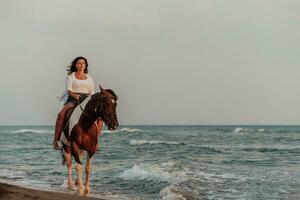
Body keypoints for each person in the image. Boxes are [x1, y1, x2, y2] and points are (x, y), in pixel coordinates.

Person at [53, 56, 103, 150]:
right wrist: (77, 97)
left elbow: (92, 92)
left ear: (85, 65)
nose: (81, 65)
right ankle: (56, 140)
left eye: (83, 63)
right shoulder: (70, 77)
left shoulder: (89, 78)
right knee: (61, 115)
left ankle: (95, 141)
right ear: (75, 65)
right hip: (73, 100)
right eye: (79, 63)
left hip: (87, 100)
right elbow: (69, 91)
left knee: (100, 118)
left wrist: (90, 100)